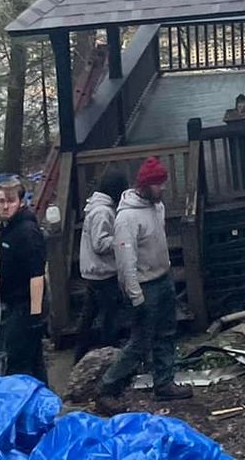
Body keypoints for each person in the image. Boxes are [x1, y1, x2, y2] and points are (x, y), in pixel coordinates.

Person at [98, 156, 187, 401]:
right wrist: (134, 295)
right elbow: (126, 260)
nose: (163, 188)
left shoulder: (157, 206)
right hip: (144, 285)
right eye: (159, 184)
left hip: (163, 277)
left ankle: (164, 382)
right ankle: (107, 387)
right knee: (139, 342)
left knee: (166, 333)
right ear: (145, 185)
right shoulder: (126, 218)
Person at [0, 178, 47, 381]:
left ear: (21, 202)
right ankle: (47, 404)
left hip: (27, 305)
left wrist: (35, 315)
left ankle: (20, 407)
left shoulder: (27, 232)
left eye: (11, 201)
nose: (5, 206)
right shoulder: (4, 229)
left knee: (17, 364)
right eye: (2, 201)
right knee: (34, 362)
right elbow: (3, 268)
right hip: (11, 302)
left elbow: (37, 275)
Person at [75, 167, 127, 355]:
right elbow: (99, 243)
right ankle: (109, 353)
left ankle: (80, 353)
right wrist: (121, 240)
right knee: (109, 317)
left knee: (89, 316)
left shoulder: (96, 207)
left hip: (94, 272)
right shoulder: (103, 212)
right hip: (103, 273)